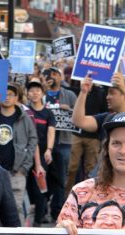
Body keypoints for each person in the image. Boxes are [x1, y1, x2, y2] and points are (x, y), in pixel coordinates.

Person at [0, 84, 38, 224]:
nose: (7, 97)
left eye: (11, 94)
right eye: (4, 94)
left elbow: (33, 140)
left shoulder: (24, 118)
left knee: (16, 207)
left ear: (17, 97)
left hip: (17, 172)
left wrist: (25, 166)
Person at [42, 66, 78, 218]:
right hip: (44, 142)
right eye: (48, 75)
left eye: (55, 74)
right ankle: (42, 211)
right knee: (44, 178)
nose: (52, 77)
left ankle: (57, 210)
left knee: (61, 179)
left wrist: (68, 109)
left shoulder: (69, 94)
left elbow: (79, 114)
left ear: (60, 76)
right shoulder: (42, 95)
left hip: (64, 141)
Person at [25, 79, 56, 225]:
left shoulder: (48, 113)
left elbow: (51, 132)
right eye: (31, 91)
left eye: (37, 90)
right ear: (27, 94)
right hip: (26, 153)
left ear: (42, 93)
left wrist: (49, 150)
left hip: (42, 154)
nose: (34, 93)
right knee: (27, 186)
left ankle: (38, 220)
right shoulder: (25, 111)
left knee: (40, 187)